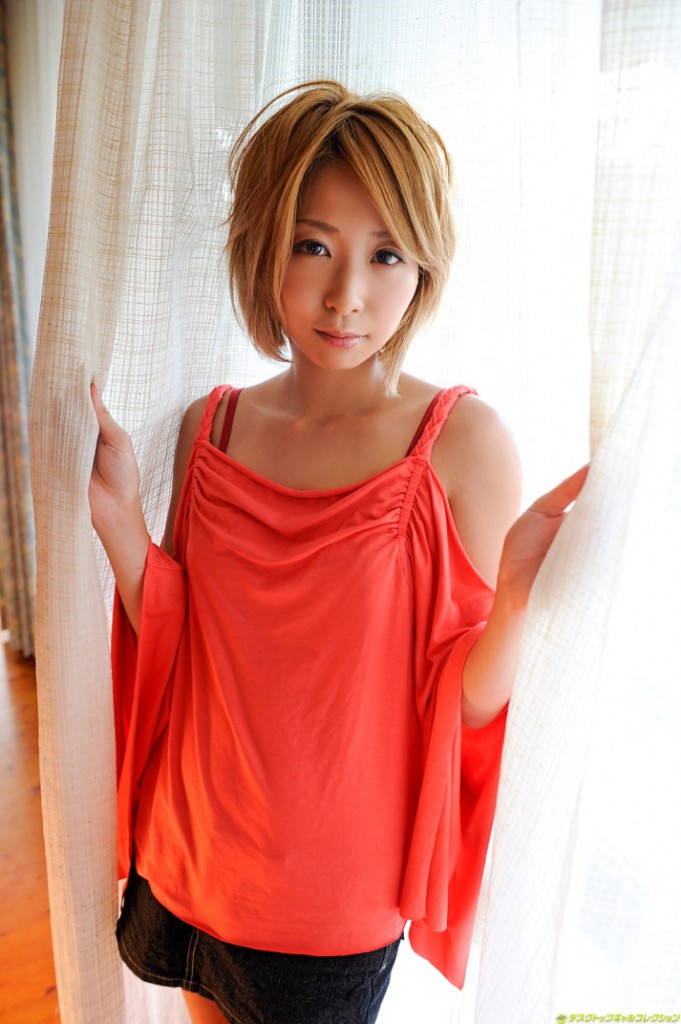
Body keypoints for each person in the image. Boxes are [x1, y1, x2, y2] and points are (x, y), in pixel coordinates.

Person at [89, 80, 587, 1024]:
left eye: (385, 254)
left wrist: (518, 600)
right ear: (262, 246)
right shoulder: (211, 426)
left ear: (424, 267)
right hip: (188, 846)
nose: (346, 295)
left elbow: (461, 703)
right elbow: (187, 643)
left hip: (326, 894)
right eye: (312, 245)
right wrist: (120, 529)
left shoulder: (463, 444)